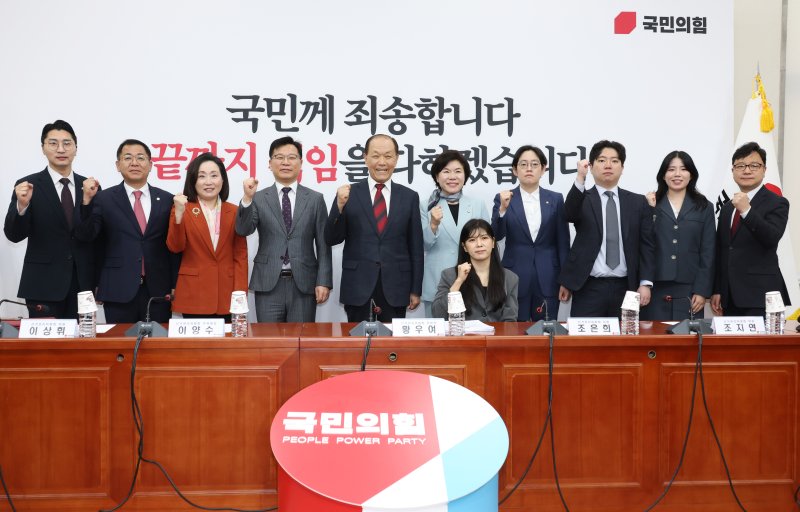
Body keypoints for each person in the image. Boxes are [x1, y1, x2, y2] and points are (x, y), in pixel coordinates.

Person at [75, 139, 179, 323]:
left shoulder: (166, 199)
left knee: (158, 339)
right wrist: (86, 201)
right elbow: (87, 236)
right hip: (117, 288)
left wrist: (174, 283)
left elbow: (173, 247)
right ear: (118, 165)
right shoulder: (104, 199)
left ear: (150, 165)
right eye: (128, 158)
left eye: (141, 158)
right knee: (120, 339)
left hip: (158, 290)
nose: (134, 163)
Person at [325, 134, 424, 322]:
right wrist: (339, 207)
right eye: (376, 155)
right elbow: (331, 238)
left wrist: (415, 289)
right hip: (358, 286)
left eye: (388, 156)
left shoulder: (409, 197)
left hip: (396, 287)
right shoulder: (348, 194)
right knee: (358, 339)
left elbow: (416, 247)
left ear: (396, 159)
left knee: (392, 341)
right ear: (365, 158)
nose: (382, 162)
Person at [4, 120, 96, 318]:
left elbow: (93, 235)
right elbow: (14, 235)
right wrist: (22, 206)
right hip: (42, 285)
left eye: (67, 143)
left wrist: (87, 202)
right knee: (45, 339)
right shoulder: (27, 185)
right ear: (43, 148)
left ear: (76, 148)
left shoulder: (88, 186)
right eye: (53, 143)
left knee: (84, 338)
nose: (61, 149)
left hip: (82, 285)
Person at [235, 136, 332, 322]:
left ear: (301, 163)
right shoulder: (258, 197)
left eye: (292, 157)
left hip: (304, 283)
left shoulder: (315, 199)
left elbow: (323, 244)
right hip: (268, 282)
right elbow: (243, 230)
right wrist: (247, 199)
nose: (285, 162)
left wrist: (323, 281)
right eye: (279, 157)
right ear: (270, 163)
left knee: (302, 337)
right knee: (268, 338)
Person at [558, 140, 655, 317]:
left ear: (622, 167)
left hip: (628, 288)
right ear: (591, 166)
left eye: (614, 161)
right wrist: (580, 178)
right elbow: (568, 214)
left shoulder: (638, 202)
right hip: (588, 287)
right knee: (585, 335)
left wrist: (645, 283)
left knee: (626, 334)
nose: (608, 165)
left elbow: (647, 245)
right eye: (602, 160)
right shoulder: (582, 198)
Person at [712, 142, 790, 317]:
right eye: (740, 166)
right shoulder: (727, 208)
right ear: (733, 171)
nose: (747, 171)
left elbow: (771, 237)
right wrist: (717, 289)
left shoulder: (777, 202)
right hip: (729, 296)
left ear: (764, 170)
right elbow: (722, 250)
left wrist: (746, 210)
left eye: (754, 165)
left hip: (761, 296)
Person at [492, 145, 569, 321]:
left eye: (534, 164)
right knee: (514, 330)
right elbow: (496, 236)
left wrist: (566, 280)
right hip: (514, 275)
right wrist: (502, 210)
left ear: (543, 169)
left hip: (549, 276)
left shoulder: (556, 199)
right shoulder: (504, 198)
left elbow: (563, 242)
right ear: (515, 170)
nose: (529, 169)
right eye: (523, 164)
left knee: (546, 330)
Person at [167, 153, 248, 320]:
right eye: (202, 176)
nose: (208, 182)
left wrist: (240, 294)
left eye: (214, 175)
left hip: (227, 296)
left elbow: (240, 256)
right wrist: (179, 215)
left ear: (223, 180)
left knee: (226, 338)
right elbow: (175, 247)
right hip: (194, 294)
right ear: (193, 180)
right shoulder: (182, 208)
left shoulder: (234, 211)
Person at [642, 151, 715, 320]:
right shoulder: (649, 203)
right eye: (671, 169)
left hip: (690, 288)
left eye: (683, 169)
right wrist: (649, 210)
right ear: (663, 175)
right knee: (654, 335)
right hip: (654, 287)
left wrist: (702, 290)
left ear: (691, 174)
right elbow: (643, 244)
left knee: (687, 335)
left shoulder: (704, 207)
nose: (677, 174)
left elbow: (708, 251)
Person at [420, 150, 489, 317]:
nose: (452, 177)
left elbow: (487, 245)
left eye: (458, 171)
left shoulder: (477, 204)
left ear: (465, 176)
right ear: (437, 177)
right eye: (446, 171)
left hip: (473, 280)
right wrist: (433, 224)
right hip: (437, 281)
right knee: (437, 331)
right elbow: (423, 245)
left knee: (474, 331)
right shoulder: (426, 205)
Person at [432, 218, 518, 321]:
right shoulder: (450, 275)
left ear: (493, 242)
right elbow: (438, 314)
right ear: (464, 247)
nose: (479, 244)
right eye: (472, 240)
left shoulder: (510, 278)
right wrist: (458, 281)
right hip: (463, 331)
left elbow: (510, 320)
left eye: (484, 238)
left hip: (497, 331)